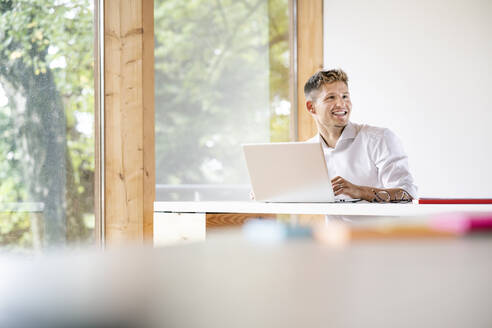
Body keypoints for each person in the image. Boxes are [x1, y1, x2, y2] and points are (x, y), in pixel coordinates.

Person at [304, 69, 417, 202]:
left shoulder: (379, 138)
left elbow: (408, 193)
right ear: (311, 107)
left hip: (381, 224)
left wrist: (359, 191)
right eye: (331, 97)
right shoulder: (307, 151)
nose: (341, 104)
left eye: (345, 96)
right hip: (334, 224)